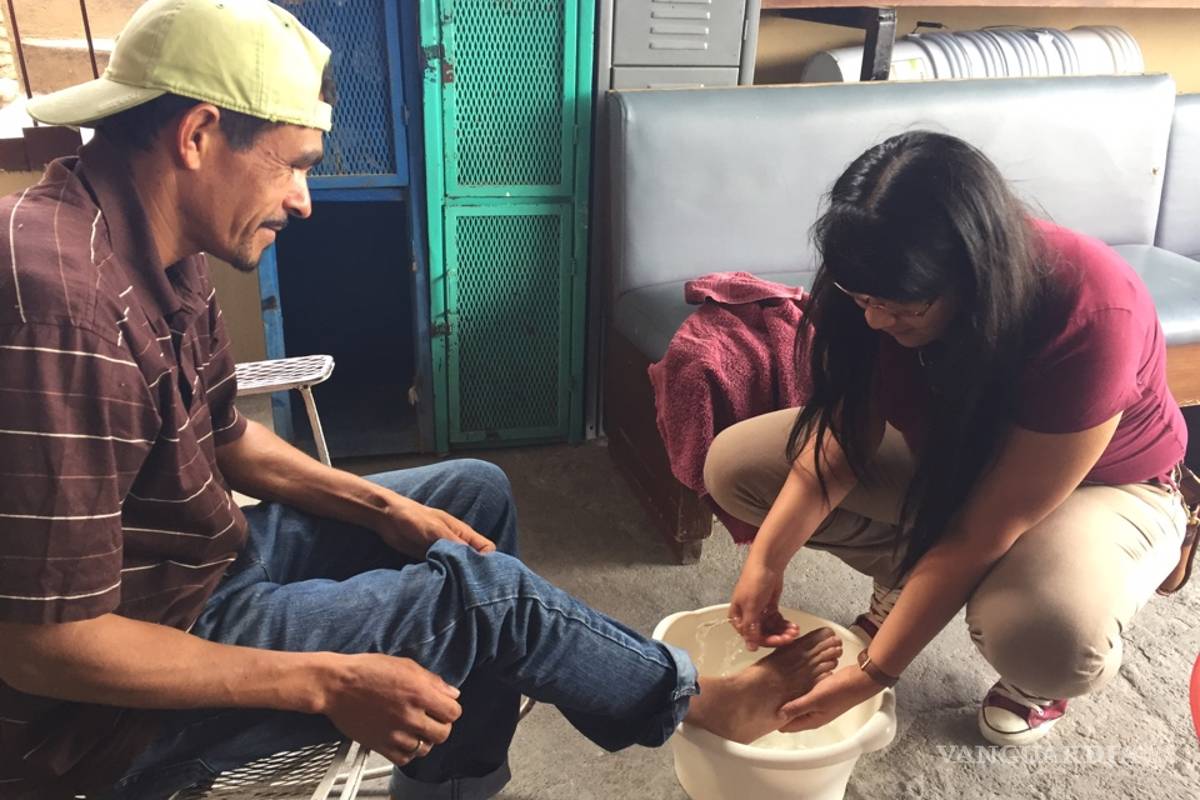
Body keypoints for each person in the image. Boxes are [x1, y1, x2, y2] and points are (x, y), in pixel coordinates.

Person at [0, 2, 844, 799]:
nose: (302, 199)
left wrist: (381, 506)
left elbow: (225, 433)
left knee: (470, 493)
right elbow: (44, 647)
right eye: (293, 165)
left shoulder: (157, 240)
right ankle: (700, 702)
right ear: (197, 135)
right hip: (114, 706)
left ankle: (451, 784)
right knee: (489, 600)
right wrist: (323, 680)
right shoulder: (60, 305)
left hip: (200, 568)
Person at [704, 130, 1196, 747]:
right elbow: (838, 446)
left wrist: (873, 672)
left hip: (1102, 485)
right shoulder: (872, 275)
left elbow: (984, 528)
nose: (877, 322)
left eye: (905, 311)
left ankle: (1038, 670)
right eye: (863, 302)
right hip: (954, 457)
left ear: (974, 277)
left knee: (1044, 632)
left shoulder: (1089, 312)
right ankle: (920, 581)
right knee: (737, 466)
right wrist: (765, 562)